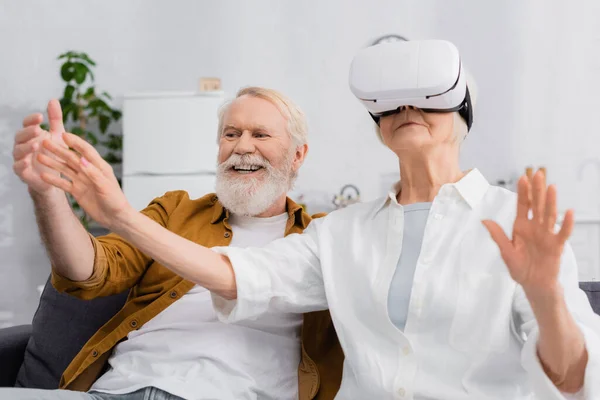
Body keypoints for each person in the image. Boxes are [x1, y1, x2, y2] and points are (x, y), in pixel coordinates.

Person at [13, 41, 600, 399]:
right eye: (391, 102)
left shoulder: (516, 225)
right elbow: (234, 275)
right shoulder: (340, 235)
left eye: (426, 98)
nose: (407, 110)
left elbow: (576, 380)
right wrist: (110, 211)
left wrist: (547, 293)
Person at [5, 87, 343, 399]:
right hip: (116, 391)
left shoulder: (320, 240)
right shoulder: (175, 210)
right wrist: (47, 192)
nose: (242, 147)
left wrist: (120, 214)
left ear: (297, 155)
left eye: (260, 134)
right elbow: (91, 271)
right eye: (231, 134)